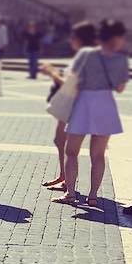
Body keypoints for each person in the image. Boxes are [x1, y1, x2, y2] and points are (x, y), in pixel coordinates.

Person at [54, 19, 128, 208]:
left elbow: (73, 81)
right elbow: (119, 88)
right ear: (117, 38)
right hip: (105, 105)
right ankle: (93, 196)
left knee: (71, 152)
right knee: (98, 155)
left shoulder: (85, 54)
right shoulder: (120, 59)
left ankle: (70, 194)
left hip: (84, 103)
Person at [40, 21, 97, 189]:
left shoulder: (85, 56)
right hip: (71, 104)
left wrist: (52, 73)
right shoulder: (87, 55)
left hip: (75, 104)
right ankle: (64, 177)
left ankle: (67, 182)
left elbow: (72, 84)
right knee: (59, 140)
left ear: (80, 38)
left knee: (67, 146)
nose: (71, 40)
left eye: (73, 37)